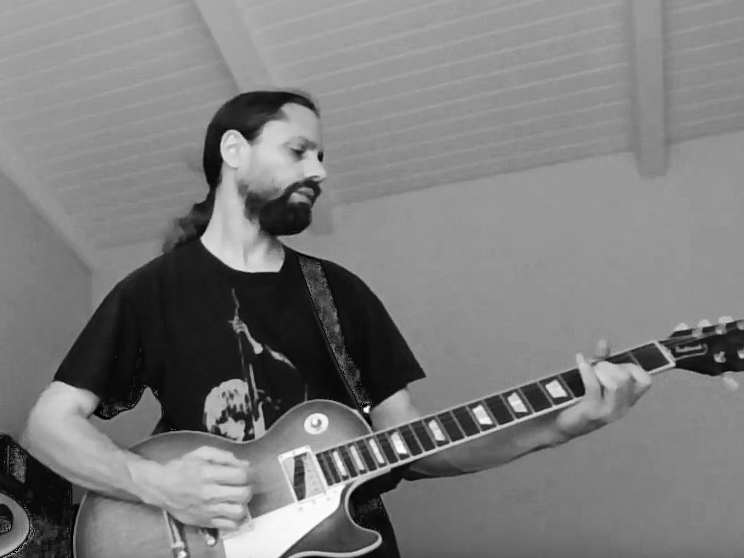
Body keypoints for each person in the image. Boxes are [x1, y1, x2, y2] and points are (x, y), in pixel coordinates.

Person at [19, 90, 652, 557]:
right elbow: (48, 426)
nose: (319, 170)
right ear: (233, 151)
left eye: (321, 156)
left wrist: (559, 425)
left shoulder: (339, 292)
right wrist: (156, 484)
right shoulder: (151, 292)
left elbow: (417, 446)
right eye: (298, 150)